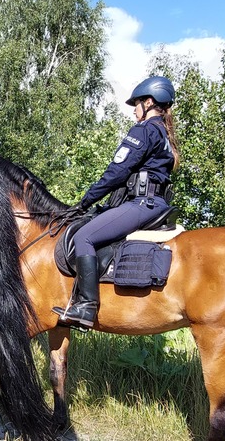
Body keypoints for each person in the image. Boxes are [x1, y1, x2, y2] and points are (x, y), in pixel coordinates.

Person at [54, 75, 179, 328]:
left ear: (149, 102)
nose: (134, 110)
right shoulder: (164, 136)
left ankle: (86, 307)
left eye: (137, 104)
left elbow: (117, 172)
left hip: (142, 204)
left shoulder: (144, 130)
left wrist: (85, 201)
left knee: (84, 237)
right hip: (157, 204)